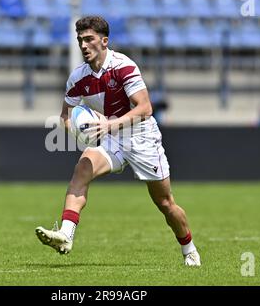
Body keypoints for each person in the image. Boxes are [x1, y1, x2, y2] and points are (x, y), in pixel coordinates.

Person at [35, 16, 201, 266]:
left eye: (89, 39)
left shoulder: (123, 66)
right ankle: (66, 235)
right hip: (110, 138)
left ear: (104, 41)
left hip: (141, 137)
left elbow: (145, 108)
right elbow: (65, 116)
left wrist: (109, 124)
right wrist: (77, 133)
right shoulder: (78, 78)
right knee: (82, 170)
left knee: (165, 203)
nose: (83, 45)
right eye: (80, 40)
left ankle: (189, 249)